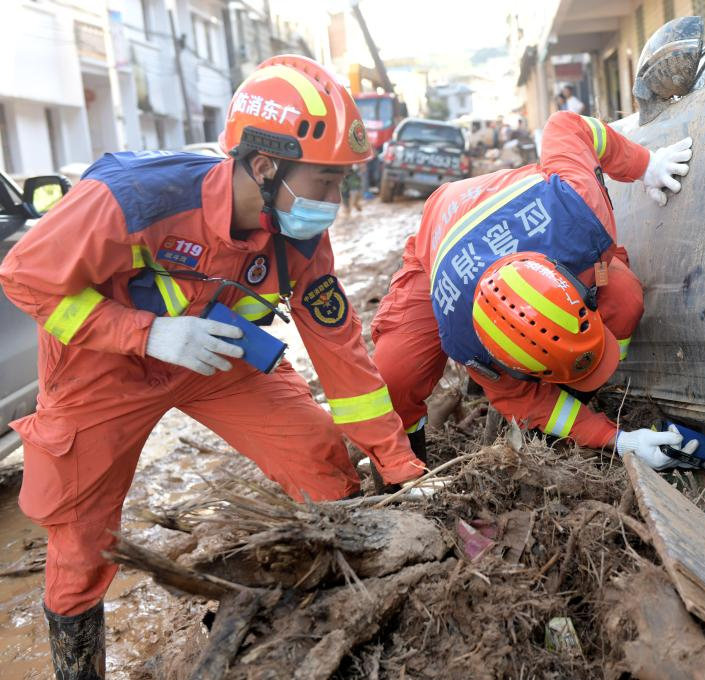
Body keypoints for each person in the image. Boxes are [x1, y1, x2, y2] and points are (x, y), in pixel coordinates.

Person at [0, 54, 428, 678]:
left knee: (321, 458)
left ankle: (330, 610)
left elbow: (341, 352)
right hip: (102, 369)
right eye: (326, 182)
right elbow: (24, 279)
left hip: (217, 355)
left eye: (343, 182)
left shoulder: (301, 236)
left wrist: (402, 467)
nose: (338, 200)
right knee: (80, 539)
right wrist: (145, 333)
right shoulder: (133, 200)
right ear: (264, 165)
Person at [370, 110, 696, 471]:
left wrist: (644, 164)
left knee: (624, 297)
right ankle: (401, 471)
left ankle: (588, 391)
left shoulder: (580, 205)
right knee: (396, 375)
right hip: (438, 244)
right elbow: (526, 401)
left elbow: (567, 125)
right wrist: (615, 438)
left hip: (521, 209)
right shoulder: (467, 336)